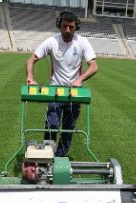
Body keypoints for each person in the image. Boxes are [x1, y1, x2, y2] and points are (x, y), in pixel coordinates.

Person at [26, 11, 98, 157]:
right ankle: (47, 154)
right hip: (55, 91)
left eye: (71, 27)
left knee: (68, 128)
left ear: (76, 27)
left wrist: (79, 80)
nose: (67, 30)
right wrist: (30, 77)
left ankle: (60, 157)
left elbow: (94, 66)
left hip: (74, 92)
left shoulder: (82, 42)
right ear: (59, 25)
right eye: (64, 26)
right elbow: (31, 60)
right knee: (51, 124)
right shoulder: (52, 41)